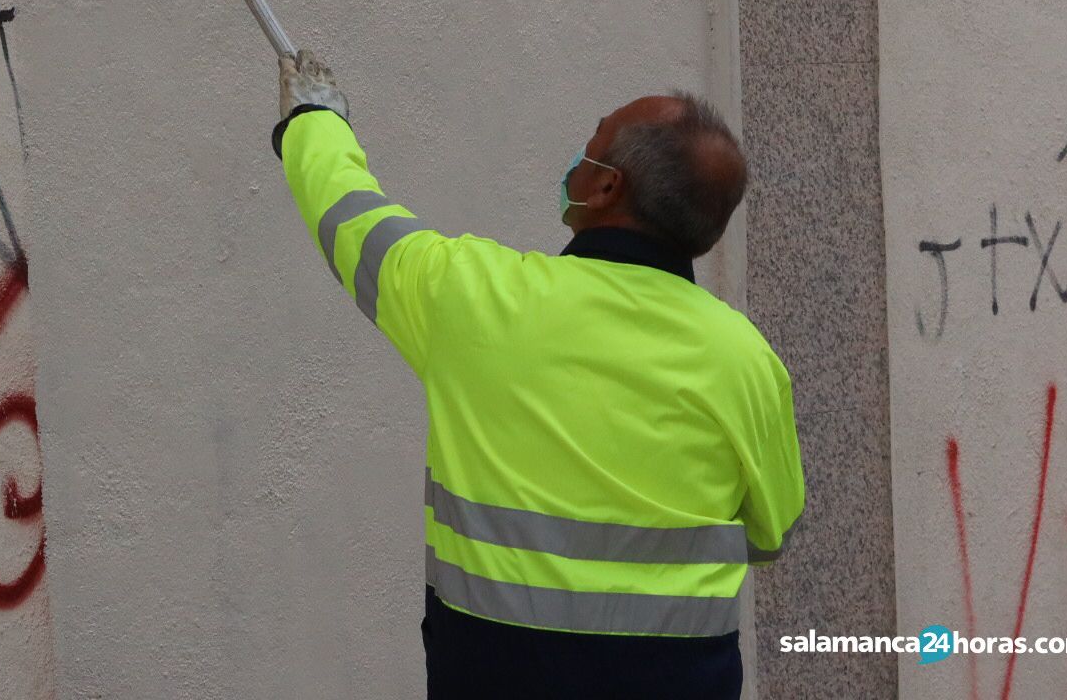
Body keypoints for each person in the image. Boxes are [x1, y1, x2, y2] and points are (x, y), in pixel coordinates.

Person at [273, 50, 805, 699]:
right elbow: (769, 530)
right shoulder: (747, 360)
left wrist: (314, 119)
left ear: (607, 188)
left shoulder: (476, 297)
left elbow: (349, 217)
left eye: (590, 150)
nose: (576, 165)